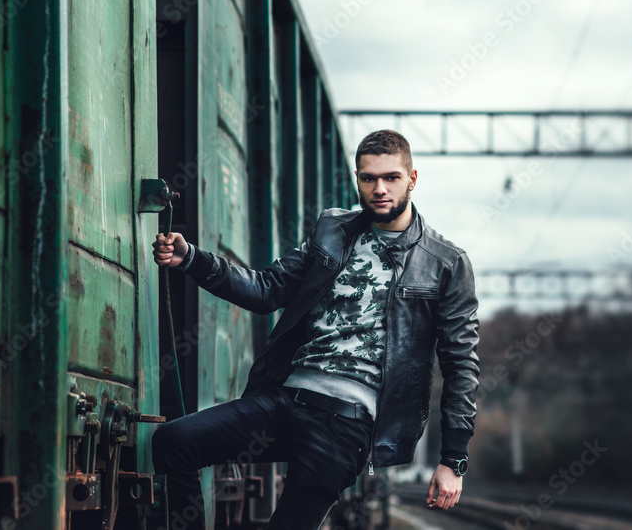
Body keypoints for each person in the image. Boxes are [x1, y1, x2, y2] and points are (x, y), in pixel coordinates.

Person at [151, 129, 480, 529]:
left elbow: (461, 364)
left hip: (347, 427)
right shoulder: (333, 231)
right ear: (357, 179)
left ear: (412, 179)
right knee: (174, 442)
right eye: (368, 178)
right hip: (286, 401)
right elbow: (266, 289)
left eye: (391, 178)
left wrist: (453, 461)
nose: (379, 189)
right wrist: (191, 259)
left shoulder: (445, 263)